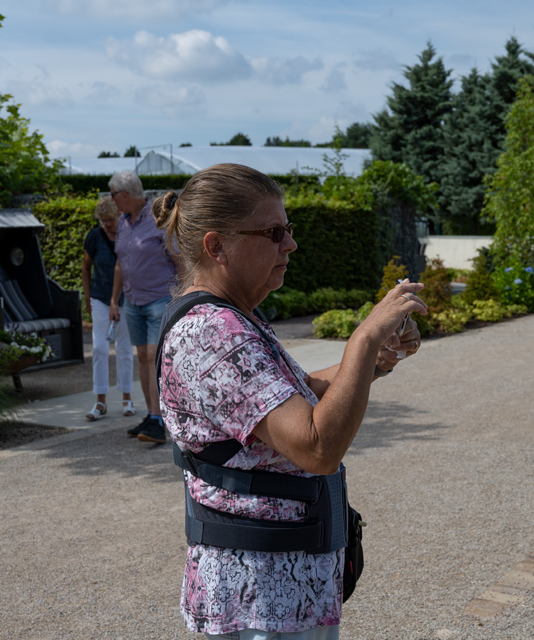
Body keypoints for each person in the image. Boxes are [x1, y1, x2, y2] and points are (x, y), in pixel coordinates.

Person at [153, 163, 426, 638]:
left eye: (289, 228)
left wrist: (372, 362)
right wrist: (363, 340)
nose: (291, 244)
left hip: (279, 592)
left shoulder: (235, 317)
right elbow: (316, 446)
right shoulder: (213, 333)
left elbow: (293, 395)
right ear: (216, 246)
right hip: (260, 598)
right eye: (273, 232)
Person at [109, 170, 179, 443]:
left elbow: (178, 258)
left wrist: (185, 295)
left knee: (152, 357)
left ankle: (159, 419)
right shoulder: (123, 223)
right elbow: (120, 264)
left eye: (113, 195)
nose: (112, 200)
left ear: (125, 195)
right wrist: (114, 300)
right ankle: (152, 416)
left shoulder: (158, 218)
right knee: (143, 358)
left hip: (160, 299)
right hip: (133, 302)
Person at [81, 196, 135, 421]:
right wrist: (87, 298)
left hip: (127, 300)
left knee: (125, 350)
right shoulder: (94, 237)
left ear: (119, 216)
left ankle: (127, 398)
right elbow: (85, 268)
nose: (107, 224)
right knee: (100, 349)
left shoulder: (129, 235)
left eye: (110, 219)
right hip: (100, 299)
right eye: (103, 220)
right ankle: (100, 401)